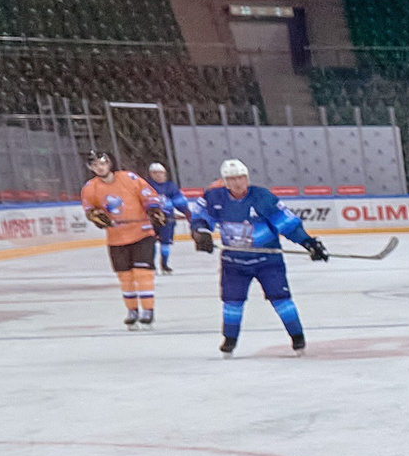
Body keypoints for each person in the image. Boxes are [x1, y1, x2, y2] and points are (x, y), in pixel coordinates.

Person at [187, 158, 325, 354]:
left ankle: (297, 337)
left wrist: (308, 243)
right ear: (225, 181)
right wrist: (200, 233)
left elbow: (287, 224)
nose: (238, 183)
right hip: (234, 262)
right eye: (232, 179)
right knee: (231, 301)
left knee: (281, 298)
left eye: (242, 178)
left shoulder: (262, 197)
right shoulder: (214, 197)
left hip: (267, 261)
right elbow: (199, 218)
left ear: (247, 178)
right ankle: (230, 339)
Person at [78, 151, 166, 326]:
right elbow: (91, 209)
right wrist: (96, 216)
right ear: (90, 168)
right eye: (94, 165)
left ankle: (148, 310)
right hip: (116, 238)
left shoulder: (129, 178)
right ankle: (132, 310)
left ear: (110, 163)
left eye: (102, 163)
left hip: (142, 233)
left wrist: (153, 210)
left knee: (143, 274)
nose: (99, 167)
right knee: (125, 277)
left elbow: (149, 196)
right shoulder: (90, 188)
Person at [144, 163, 185, 273]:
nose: (160, 175)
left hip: (167, 219)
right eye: (156, 173)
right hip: (151, 218)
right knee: (150, 242)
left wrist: (188, 213)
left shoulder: (170, 186)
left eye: (161, 173)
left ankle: (164, 264)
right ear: (151, 174)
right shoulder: (146, 186)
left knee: (165, 242)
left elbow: (179, 202)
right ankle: (151, 264)